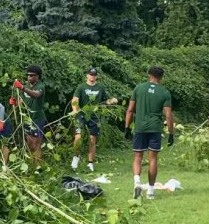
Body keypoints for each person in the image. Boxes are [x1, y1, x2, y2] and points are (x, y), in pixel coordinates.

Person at [124, 66, 175, 200]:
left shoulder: (138, 88)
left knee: (137, 157)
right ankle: (151, 192)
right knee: (152, 159)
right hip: (155, 128)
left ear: (149, 75)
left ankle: (136, 183)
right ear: (161, 77)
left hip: (140, 127)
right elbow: (168, 115)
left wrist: (127, 128)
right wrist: (171, 133)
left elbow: (130, 110)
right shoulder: (164, 92)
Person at [71, 67, 119, 172]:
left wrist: (112, 100)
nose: (92, 77)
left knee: (93, 140)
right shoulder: (81, 87)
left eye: (94, 75)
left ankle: (90, 163)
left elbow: (105, 101)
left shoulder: (100, 87)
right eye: (91, 74)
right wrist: (75, 111)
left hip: (94, 116)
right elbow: (74, 100)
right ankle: (76, 157)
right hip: (81, 115)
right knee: (78, 137)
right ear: (87, 75)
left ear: (96, 76)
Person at [13, 65, 46, 165]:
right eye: (28, 75)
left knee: (36, 144)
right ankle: (33, 165)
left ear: (38, 76)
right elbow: (21, 101)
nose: (29, 77)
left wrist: (22, 87)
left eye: (32, 75)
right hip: (27, 119)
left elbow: (36, 94)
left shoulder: (40, 86)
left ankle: (38, 168)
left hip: (37, 119)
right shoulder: (27, 85)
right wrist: (14, 103)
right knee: (29, 144)